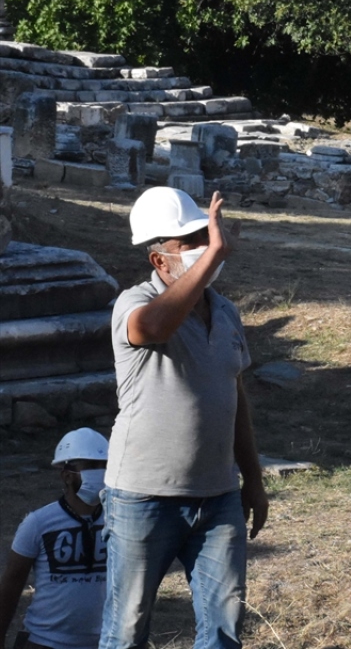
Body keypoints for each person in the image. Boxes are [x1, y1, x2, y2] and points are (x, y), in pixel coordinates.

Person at [100, 187, 268, 649]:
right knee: (127, 630)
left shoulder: (226, 312)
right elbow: (152, 328)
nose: (207, 247)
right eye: (193, 241)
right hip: (142, 497)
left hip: (218, 497)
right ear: (160, 261)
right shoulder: (134, 304)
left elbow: (234, 398)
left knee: (223, 629)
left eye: (206, 236)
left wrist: (252, 478)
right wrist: (213, 254)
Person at [0, 429, 110, 649]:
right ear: (67, 474)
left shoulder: (119, 519)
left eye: (104, 465)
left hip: (106, 641)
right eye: (90, 466)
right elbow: (12, 582)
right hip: (45, 642)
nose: (100, 473)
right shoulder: (39, 523)